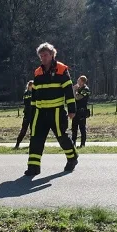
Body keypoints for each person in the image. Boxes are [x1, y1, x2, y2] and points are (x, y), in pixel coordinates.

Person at [25, 43, 79, 176]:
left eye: (46, 55)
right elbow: (35, 94)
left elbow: (68, 90)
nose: (43, 58)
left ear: (52, 55)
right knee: (35, 139)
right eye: (41, 56)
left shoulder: (61, 69)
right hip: (40, 112)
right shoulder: (38, 72)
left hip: (56, 111)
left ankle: (72, 158)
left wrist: (72, 109)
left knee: (62, 137)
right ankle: (33, 167)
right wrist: (31, 112)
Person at [71, 75, 91, 148]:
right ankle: (73, 143)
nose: (77, 82)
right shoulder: (78, 89)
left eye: (79, 81)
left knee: (82, 128)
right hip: (75, 111)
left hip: (82, 111)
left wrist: (74, 90)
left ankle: (82, 144)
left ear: (82, 82)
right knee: (74, 128)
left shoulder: (86, 89)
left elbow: (78, 97)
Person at [15, 80, 33, 149]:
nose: (32, 87)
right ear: (28, 86)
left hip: (33, 114)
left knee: (33, 130)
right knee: (23, 130)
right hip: (27, 114)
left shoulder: (35, 93)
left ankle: (31, 144)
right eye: (31, 85)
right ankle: (17, 143)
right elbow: (27, 103)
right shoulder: (26, 93)